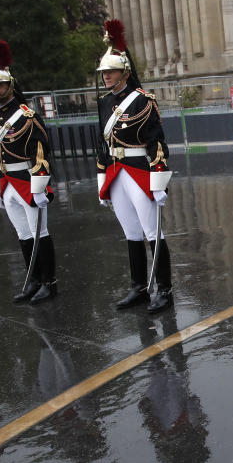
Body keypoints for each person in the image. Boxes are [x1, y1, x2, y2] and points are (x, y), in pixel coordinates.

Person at [95, 20, 174, 314]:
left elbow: (157, 143)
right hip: (115, 172)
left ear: (125, 72)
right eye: (103, 72)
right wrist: (101, 181)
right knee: (130, 231)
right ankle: (138, 287)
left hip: (140, 170)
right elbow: (102, 144)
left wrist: (159, 181)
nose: (106, 76)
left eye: (111, 71)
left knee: (152, 232)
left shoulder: (143, 101)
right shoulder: (104, 104)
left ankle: (164, 289)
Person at [0, 39, 58, 304]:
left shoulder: (27, 116)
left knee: (40, 232)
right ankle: (33, 279)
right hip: (7, 183)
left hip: (27, 179)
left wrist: (39, 187)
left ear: (10, 85)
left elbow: (41, 153)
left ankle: (49, 282)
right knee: (24, 235)